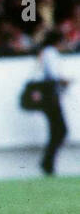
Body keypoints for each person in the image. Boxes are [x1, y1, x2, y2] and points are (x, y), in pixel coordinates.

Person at [37, 30, 71, 175]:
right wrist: (64, 81)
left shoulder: (46, 52)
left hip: (49, 95)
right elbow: (53, 74)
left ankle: (47, 162)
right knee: (61, 130)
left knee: (56, 130)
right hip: (51, 96)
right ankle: (47, 162)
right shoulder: (51, 53)